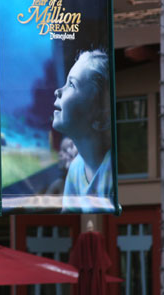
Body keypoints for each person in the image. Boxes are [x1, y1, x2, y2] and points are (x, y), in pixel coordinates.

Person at [51, 49, 112, 209]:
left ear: (102, 118)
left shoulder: (112, 169)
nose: (58, 91)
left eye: (71, 84)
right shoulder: (76, 168)